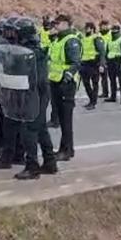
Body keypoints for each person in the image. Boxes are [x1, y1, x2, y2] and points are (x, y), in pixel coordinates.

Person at [0, 17, 57, 180]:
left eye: (14, 32)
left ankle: (32, 166)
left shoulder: (33, 53)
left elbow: (36, 79)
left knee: (31, 129)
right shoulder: (19, 49)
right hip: (20, 93)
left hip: (34, 94)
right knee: (17, 125)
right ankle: (47, 162)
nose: (11, 35)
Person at [48, 15, 82, 161]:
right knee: (61, 119)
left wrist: (67, 76)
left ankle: (67, 150)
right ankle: (65, 148)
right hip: (55, 82)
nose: (56, 25)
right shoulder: (58, 40)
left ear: (66, 24)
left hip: (66, 84)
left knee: (66, 120)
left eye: (58, 23)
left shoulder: (71, 41)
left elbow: (75, 62)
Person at [79, 22, 106, 110]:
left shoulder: (96, 38)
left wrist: (102, 64)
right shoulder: (83, 38)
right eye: (85, 28)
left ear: (92, 29)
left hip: (94, 63)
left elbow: (102, 52)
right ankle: (91, 99)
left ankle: (93, 102)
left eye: (87, 28)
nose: (86, 29)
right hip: (84, 63)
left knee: (95, 84)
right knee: (86, 83)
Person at [104, 25, 121, 104]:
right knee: (112, 80)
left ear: (118, 31)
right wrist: (106, 61)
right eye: (113, 31)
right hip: (111, 61)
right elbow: (107, 51)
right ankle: (113, 96)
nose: (113, 33)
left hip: (119, 61)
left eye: (115, 31)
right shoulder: (110, 40)